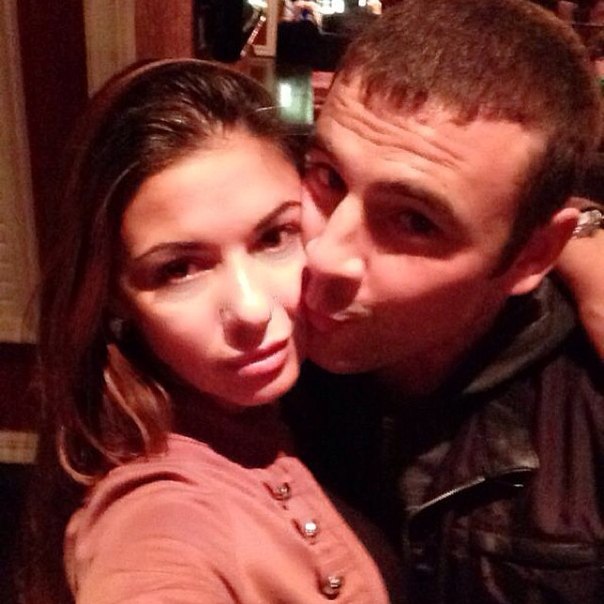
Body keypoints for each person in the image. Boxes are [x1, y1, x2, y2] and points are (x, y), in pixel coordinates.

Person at [21, 59, 395, 604]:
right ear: (113, 296)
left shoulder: (319, 395)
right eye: (179, 269)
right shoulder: (153, 512)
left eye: (274, 237)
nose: (251, 309)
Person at [283, 1, 604, 603]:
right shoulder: (246, 350)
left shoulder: (587, 415)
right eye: (328, 177)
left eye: (414, 220)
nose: (324, 256)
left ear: (532, 254)